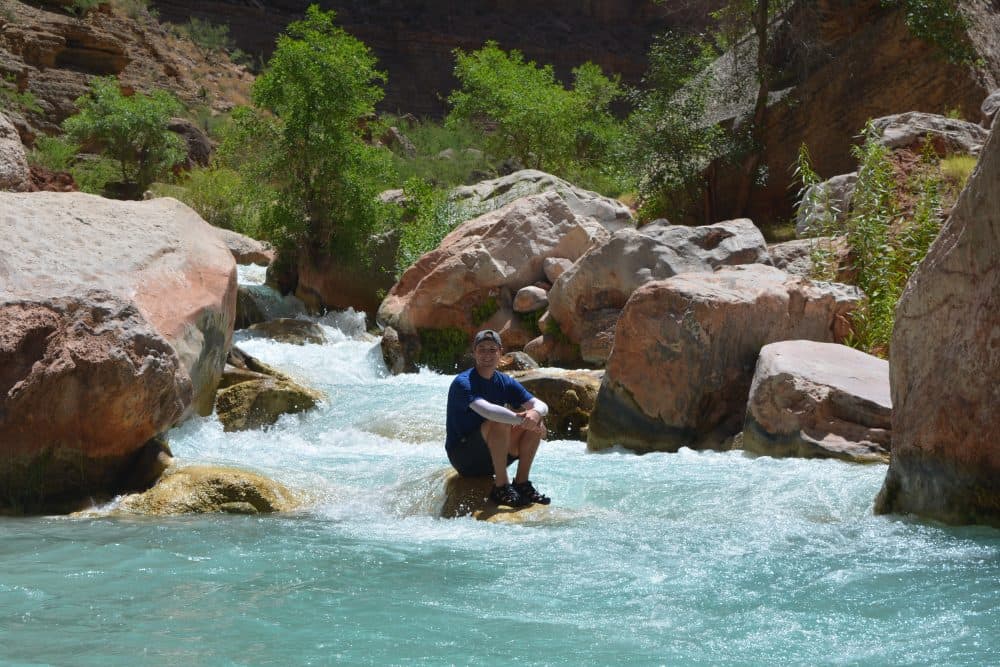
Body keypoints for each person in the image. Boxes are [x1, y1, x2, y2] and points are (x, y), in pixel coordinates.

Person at [445, 329, 551, 507]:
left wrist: (534, 414)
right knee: (502, 420)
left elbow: (541, 405)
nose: (487, 354)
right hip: (464, 457)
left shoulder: (504, 381)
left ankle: (521, 483)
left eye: (492, 349)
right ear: (474, 352)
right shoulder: (463, 383)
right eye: (482, 349)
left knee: (537, 418)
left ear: (500, 352)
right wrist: (523, 420)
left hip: (494, 454)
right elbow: (487, 411)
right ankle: (501, 486)